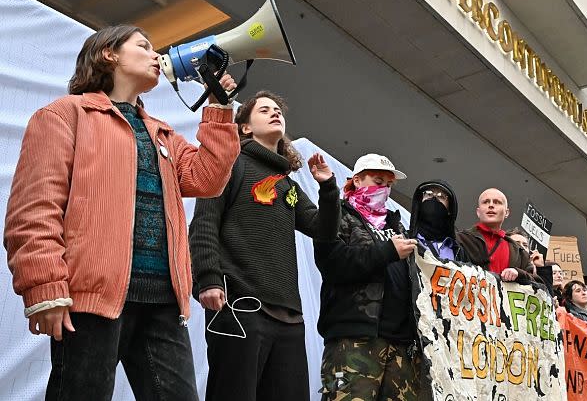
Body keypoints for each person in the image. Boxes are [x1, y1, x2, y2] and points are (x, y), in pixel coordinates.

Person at [4, 25, 240, 400]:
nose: (154, 55)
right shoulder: (65, 114)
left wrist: (219, 106)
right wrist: (44, 286)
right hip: (91, 298)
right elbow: (34, 208)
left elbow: (207, 179)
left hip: (163, 300)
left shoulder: (162, 134)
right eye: (143, 46)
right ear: (109, 54)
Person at [189, 91, 341, 400]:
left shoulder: (287, 183)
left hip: (289, 318)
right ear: (244, 127)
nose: (275, 114)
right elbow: (204, 222)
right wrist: (208, 278)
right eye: (264, 110)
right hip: (239, 306)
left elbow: (323, 229)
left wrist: (328, 187)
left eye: (278, 111)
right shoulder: (230, 164)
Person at [314, 154, 420, 400]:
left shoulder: (399, 227)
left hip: (400, 346)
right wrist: (388, 251)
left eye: (389, 185)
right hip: (352, 342)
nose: (384, 189)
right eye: (378, 181)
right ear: (358, 180)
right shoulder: (338, 214)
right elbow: (333, 263)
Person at [456, 189, 542, 285]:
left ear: (507, 213)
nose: (491, 205)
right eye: (486, 202)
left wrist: (519, 273)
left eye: (497, 202)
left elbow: (539, 285)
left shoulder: (519, 251)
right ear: (478, 212)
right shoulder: (459, 240)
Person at [410, 180, 467, 262]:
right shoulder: (405, 240)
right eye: (429, 194)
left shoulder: (458, 251)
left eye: (441, 196)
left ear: (450, 209)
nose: (434, 198)